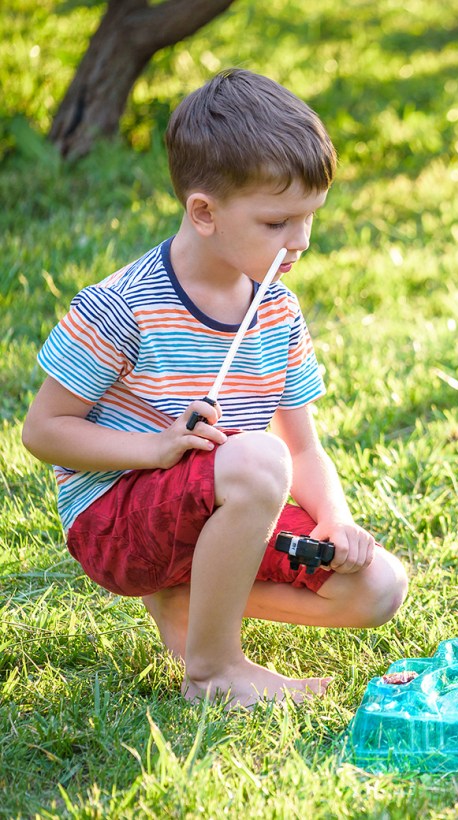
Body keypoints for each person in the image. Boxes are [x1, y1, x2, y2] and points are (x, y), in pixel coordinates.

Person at [21, 69, 408, 708]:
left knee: (378, 587)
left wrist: (336, 522)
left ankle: (189, 601)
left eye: (310, 218)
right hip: (118, 520)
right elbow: (43, 431)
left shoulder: (277, 310)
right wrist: (158, 448)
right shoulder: (124, 307)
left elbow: (304, 449)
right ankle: (213, 671)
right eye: (278, 222)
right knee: (258, 459)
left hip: (222, 510)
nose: (301, 242)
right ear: (204, 212)